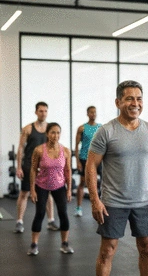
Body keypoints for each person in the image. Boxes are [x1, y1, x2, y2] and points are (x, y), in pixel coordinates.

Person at [86, 80, 148, 276]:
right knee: (107, 251)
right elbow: (91, 165)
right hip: (113, 201)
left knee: (147, 247)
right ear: (118, 102)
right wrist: (95, 199)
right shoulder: (106, 131)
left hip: (144, 201)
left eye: (139, 98)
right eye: (129, 98)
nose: (135, 103)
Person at [28, 123, 73, 256]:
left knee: (63, 213)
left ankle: (64, 243)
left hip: (59, 186)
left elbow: (68, 170)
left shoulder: (65, 151)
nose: (55, 135)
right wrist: (32, 189)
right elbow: (33, 169)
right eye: (53, 132)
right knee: (40, 213)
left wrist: (69, 189)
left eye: (58, 132)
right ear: (47, 134)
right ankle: (34, 244)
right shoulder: (39, 150)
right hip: (41, 185)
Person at [15, 102, 59, 233]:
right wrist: (19, 167)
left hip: (45, 165)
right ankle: (19, 222)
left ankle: (51, 221)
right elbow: (21, 148)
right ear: (36, 112)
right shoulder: (28, 128)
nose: (43, 113)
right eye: (41, 111)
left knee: (48, 194)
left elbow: (54, 147)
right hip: (29, 164)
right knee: (24, 193)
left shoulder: (50, 129)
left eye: (45, 111)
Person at [74, 105, 102, 217]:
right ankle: (78, 208)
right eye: (91, 112)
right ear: (87, 113)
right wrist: (77, 162)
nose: (93, 114)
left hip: (98, 158)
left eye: (95, 112)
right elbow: (76, 146)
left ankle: (100, 205)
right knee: (82, 182)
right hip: (84, 158)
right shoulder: (82, 128)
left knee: (101, 183)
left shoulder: (100, 127)